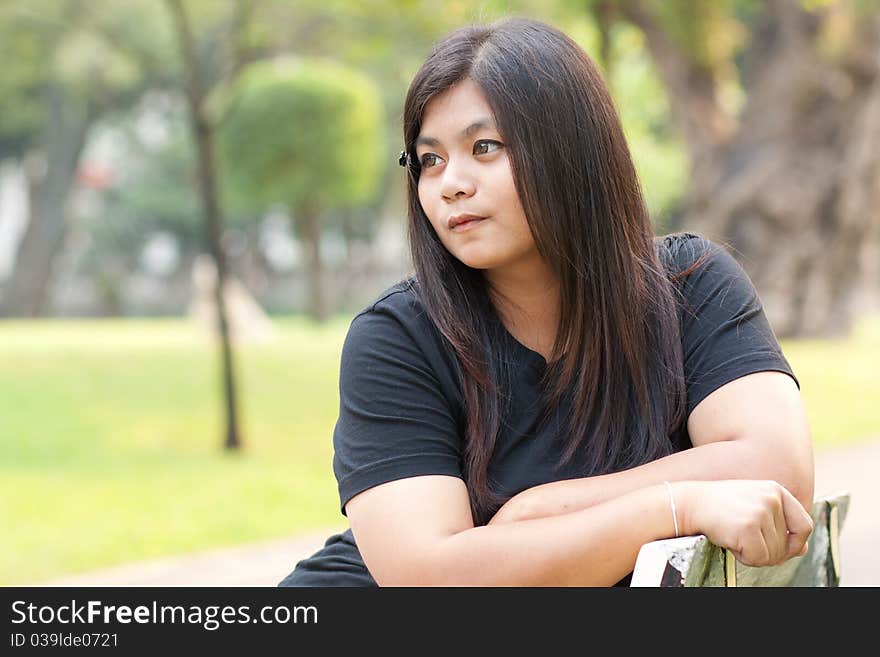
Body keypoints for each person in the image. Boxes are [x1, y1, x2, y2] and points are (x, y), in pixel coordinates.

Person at [278, 17, 814, 587]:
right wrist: (674, 506)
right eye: (429, 159)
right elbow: (428, 577)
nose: (450, 183)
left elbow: (776, 468)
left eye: (484, 147)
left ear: (568, 148)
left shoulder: (691, 284)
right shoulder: (397, 338)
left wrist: (541, 511)